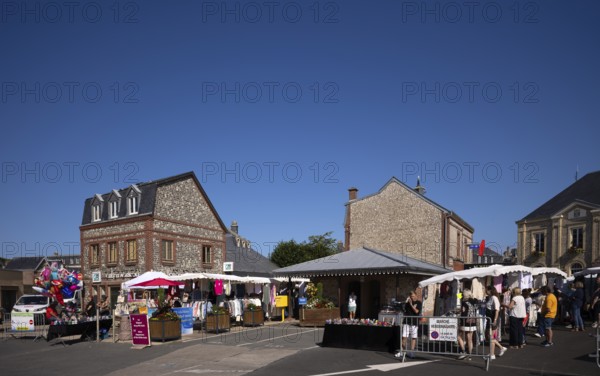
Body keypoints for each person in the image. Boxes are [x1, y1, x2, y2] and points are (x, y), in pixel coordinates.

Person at [485, 286, 507, 360]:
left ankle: (497, 350)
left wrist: (495, 319)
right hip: (490, 319)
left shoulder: (494, 298)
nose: (485, 291)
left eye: (486, 290)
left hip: (493, 319)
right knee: (490, 336)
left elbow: (497, 310)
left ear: (490, 290)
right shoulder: (490, 297)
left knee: (490, 337)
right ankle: (493, 353)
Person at [457, 289, 478, 360]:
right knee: (470, 339)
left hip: (465, 321)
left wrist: (458, 312)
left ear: (465, 294)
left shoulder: (464, 302)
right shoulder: (475, 301)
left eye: (463, 293)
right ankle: (470, 355)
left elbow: (462, 311)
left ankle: (463, 351)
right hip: (473, 321)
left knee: (458, 336)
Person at [402, 291, 422, 359]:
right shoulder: (407, 303)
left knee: (413, 337)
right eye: (411, 296)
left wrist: (411, 305)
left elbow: (416, 311)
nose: (412, 297)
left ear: (416, 295)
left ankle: (412, 351)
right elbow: (403, 310)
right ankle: (403, 351)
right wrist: (406, 302)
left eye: (413, 296)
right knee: (404, 336)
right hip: (407, 321)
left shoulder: (419, 303)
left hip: (414, 322)